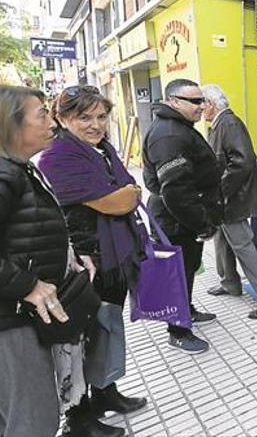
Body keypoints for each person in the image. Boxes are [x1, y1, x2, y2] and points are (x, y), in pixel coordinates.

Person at [39, 85, 148, 436]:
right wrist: (122, 195)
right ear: (62, 118)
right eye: (84, 117)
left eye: (101, 116)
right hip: (83, 263)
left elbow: (131, 187)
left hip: (113, 257)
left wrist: (123, 194)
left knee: (108, 329)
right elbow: (118, 201)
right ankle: (79, 415)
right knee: (80, 339)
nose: (95, 125)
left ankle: (105, 392)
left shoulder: (102, 149)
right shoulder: (56, 157)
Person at [0, 86, 69, 437]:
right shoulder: (5, 175)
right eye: (41, 114)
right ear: (11, 125)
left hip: (19, 316)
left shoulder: (20, 169)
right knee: (33, 419)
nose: (51, 122)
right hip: (10, 320)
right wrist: (28, 285)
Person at [142, 78, 222, 355]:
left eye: (203, 100)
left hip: (183, 218)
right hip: (177, 220)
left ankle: (186, 311)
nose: (202, 106)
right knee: (176, 274)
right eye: (195, 101)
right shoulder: (170, 134)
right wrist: (201, 224)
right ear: (174, 101)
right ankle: (177, 331)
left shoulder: (179, 128)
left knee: (186, 270)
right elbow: (175, 190)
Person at [201, 84, 257, 319]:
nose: (200, 108)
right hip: (226, 198)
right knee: (222, 240)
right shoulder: (220, 123)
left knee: (242, 245)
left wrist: (222, 189)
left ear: (211, 104)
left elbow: (244, 160)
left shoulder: (228, 123)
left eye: (201, 103)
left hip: (232, 198)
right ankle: (229, 281)